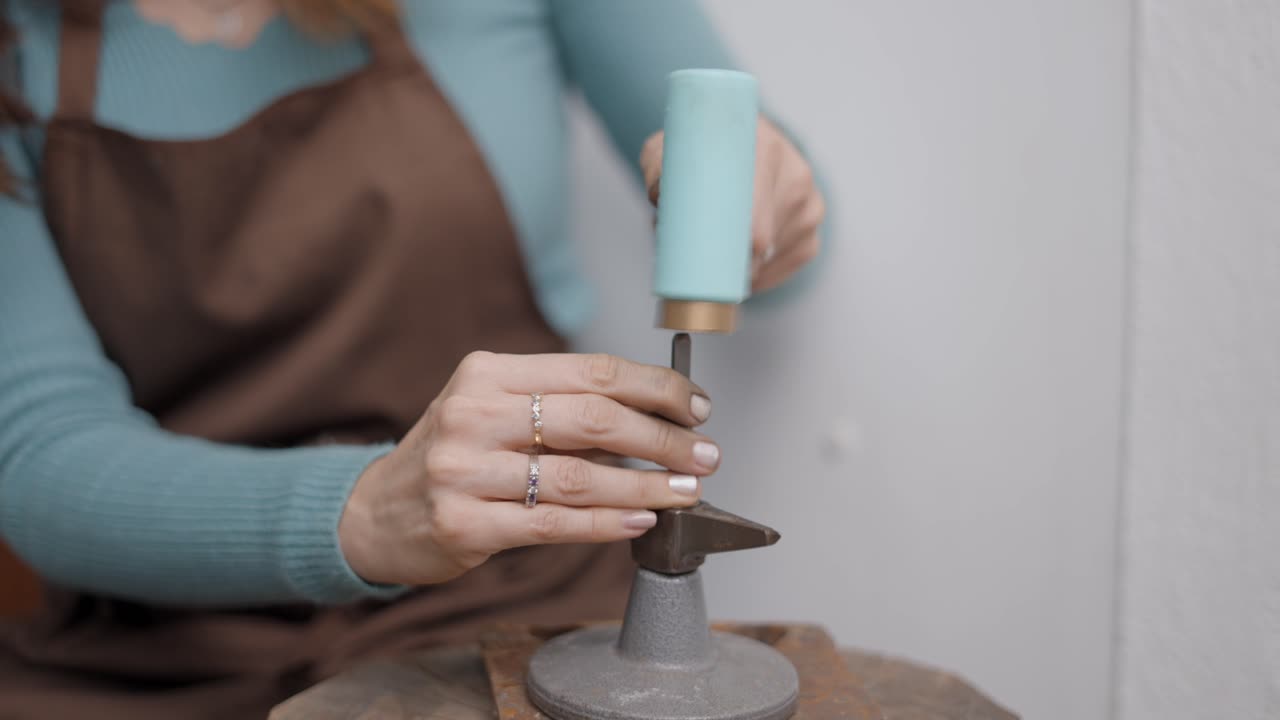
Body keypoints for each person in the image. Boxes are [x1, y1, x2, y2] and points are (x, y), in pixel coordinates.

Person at [0, 1, 825, 717]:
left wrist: (767, 205)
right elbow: (34, 447)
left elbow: (772, 214)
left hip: (515, 607)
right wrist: (363, 513)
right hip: (161, 645)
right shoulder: (18, 46)